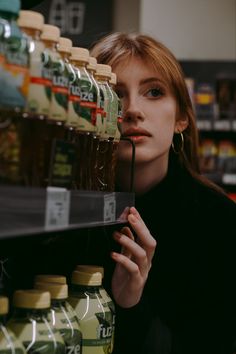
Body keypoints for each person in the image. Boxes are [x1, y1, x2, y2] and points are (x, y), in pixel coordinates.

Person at [90, 32, 236, 354]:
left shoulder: (222, 223)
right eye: (113, 93)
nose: (132, 111)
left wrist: (131, 305)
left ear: (181, 117)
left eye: (153, 92)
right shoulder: (63, 213)